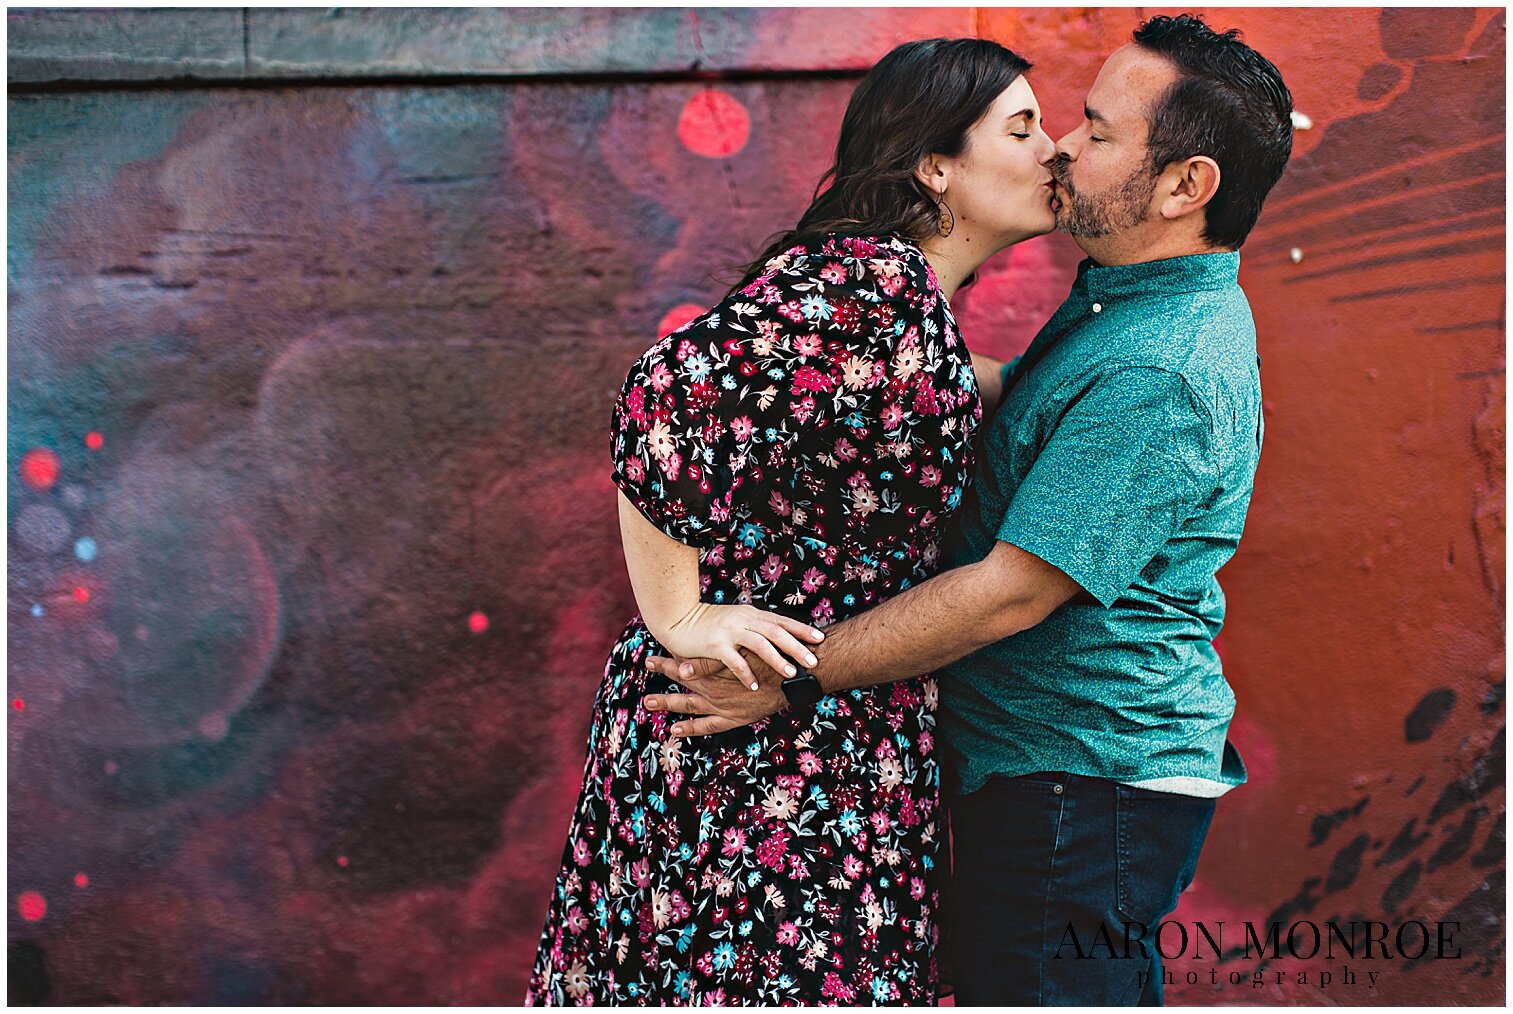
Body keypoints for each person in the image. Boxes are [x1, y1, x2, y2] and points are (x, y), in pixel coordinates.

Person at [644, 13, 1294, 1006]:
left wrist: (783, 683)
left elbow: (1005, 597)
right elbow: (1017, 405)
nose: (1068, 148)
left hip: (1080, 790)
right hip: (1055, 782)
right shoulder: (1126, 305)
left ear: (1183, 186)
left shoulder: (1161, 369)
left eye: (1098, 131)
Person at [527, 37, 1061, 1005]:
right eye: (1022, 128)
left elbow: (901, 406)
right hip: (762, 756)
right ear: (937, 165)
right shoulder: (877, 286)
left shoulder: (906, 307)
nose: (1052, 150)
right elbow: (667, 393)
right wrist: (679, 615)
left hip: (811, 737)